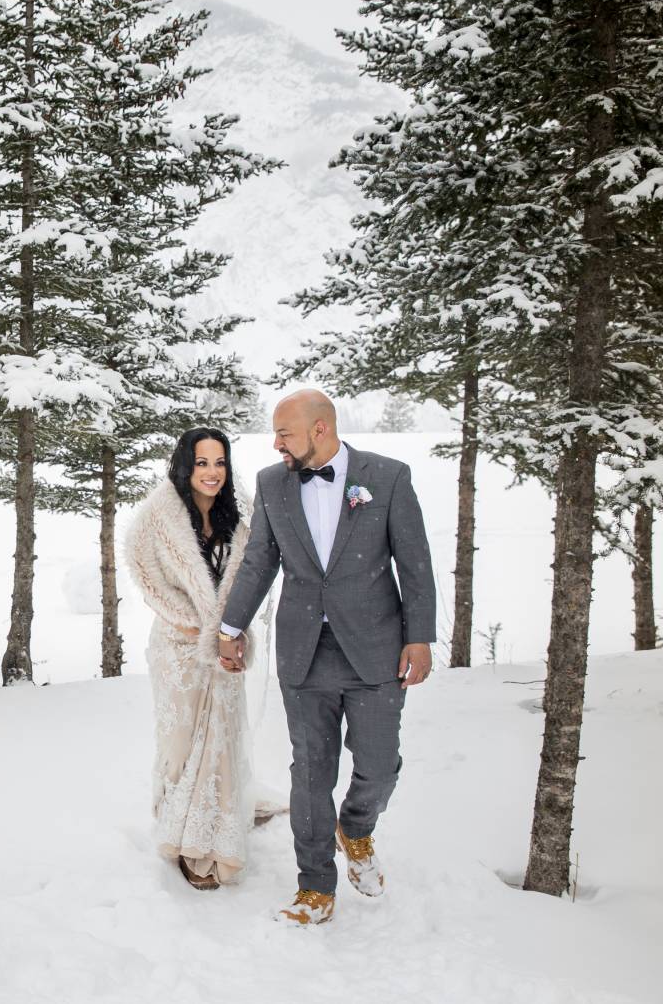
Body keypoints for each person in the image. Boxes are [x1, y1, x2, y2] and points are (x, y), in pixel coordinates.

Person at [220, 389, 435, 925]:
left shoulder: (386, 477)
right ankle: (315, 885)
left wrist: (420, 637)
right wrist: (231, 626)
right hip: (304, 652)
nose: (276, 445)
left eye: (284, 433)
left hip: (376, 649)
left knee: (380, 764)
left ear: (320, 429)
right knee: (311, 773)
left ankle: (356, 828)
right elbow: (258, 562)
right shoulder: (273, 484)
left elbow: (415, 563)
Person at [125, 427, 263, 889]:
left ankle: (215, 836)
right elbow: (147, 579)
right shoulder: (156, 518)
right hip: (179, 651)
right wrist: (198, 628)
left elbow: (248, 581)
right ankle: (181, 835)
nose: (212, 473)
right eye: (202, 463)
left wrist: (231, 633)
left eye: (219, 462)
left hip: (226, 649)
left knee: (221, 740)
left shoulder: (237, 518)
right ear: (185, 465)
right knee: (182, 744)